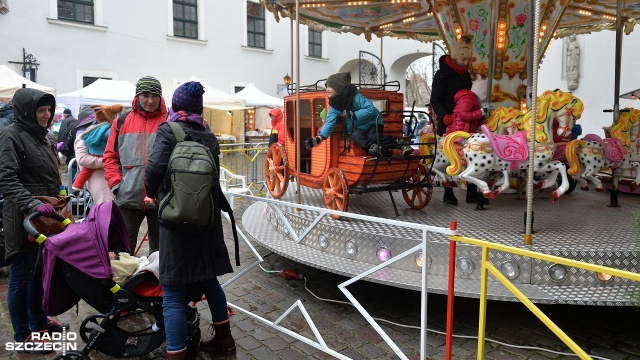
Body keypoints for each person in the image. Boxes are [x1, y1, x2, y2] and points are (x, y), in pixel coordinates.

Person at [145, 81, 235, 360]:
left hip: (176, 219)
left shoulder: (168, 130)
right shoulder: (208, 134)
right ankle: (225, 341)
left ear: (174, 105)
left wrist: (153, 195)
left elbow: (154, 170)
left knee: (172, 291)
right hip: (206, 218)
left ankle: (176, 353)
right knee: (209, 280)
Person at [0, 88, 68, 354]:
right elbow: (6, 179)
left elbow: (51, 171)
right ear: (27, 112)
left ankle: (38, 322)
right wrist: (32, 204)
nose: (46, 115)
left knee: (39, 271)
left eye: (48, 110)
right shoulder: (11, 136)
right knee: (21, 275)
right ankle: (23, 336)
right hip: (23, 216)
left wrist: (61, 194)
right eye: (40, 111)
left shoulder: (43, 136)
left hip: (44, 215)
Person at [104, 76, 167, 255]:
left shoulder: (170, 120)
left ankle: (159, 283)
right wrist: (117, 185)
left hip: (161, 198)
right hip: (128, 197)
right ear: (137, 96)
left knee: (161, 253)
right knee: (122, 250)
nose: (150, 100)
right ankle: (124, 283)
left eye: (155, 95)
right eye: (145, 95)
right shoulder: (121, 121)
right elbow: (110, 156)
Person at [304, 72, 413, 157]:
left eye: (329, 86)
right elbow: (329, 123)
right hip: (357, 127)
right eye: (326, 86)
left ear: (338, 87)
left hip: (372, 122)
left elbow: (370, 109)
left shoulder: (356, 97)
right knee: (356, 136)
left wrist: (354, 114)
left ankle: (400, 144)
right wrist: (319, 138)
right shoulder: (334, 106)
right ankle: (376, 150)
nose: (326, 89)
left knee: (373, 136)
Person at [430, 34, 482, 206]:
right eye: (463, 59)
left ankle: (472, 191)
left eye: (467, 59)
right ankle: (448, 190)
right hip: (449, 121)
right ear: (455, 57)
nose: (465, 62)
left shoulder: (465, 74)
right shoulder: (442, 75)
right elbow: (435, 99)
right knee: (446, 156)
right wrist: (444, 114)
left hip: (467, 122)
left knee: (472, 153)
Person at [72, 104, 122, 204]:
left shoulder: (106, 133)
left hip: (112, 177)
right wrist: (108, 160)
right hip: (98, 179)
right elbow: (82, 159)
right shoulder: (82, 137)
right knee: (106, 207)